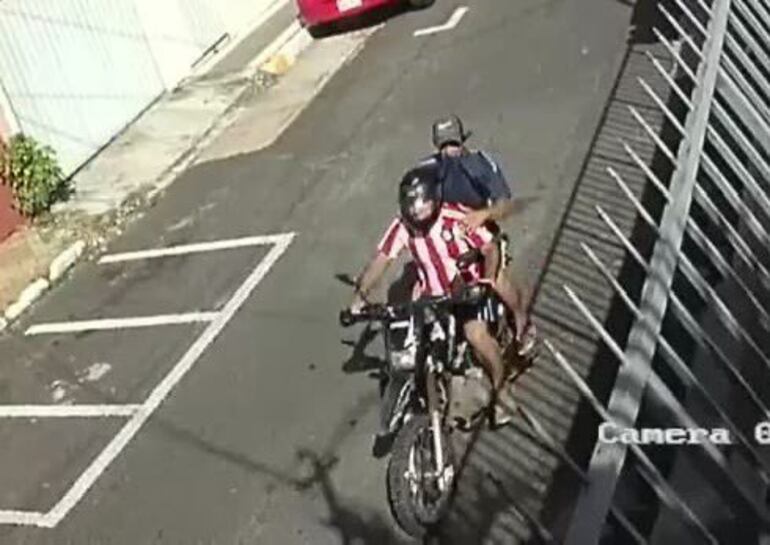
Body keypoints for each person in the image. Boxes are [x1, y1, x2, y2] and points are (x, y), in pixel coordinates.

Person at [350, 165, 511, 425]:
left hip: (467, 290)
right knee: (416, 346)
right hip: (431, 296)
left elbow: (490, 248)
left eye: (423, 204)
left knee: (476, 335)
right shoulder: (403, 225)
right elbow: (382, 259)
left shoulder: (455, 217)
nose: (418, 211)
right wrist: (360, 296)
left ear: (434, 198)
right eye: (412, 205)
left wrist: (486, 281)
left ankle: (501, 392)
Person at [420, 115, 535, 355]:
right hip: (447, 236)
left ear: (462, 140)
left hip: (481, 235)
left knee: (495, 280)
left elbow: (505, 204)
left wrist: (483, 215)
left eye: (452, 143)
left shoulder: (480, 163)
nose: (449, 150)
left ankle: (521, 319)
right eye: (443, 145)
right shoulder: (429, 168)